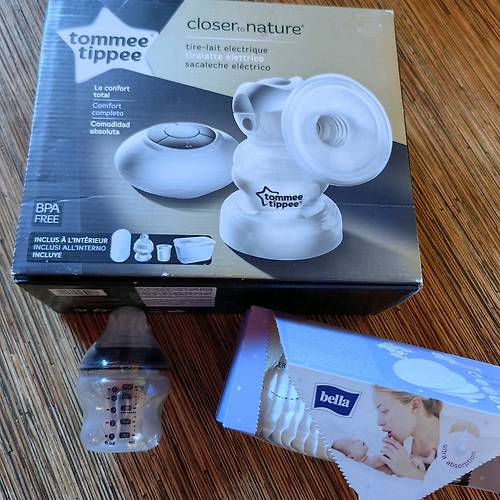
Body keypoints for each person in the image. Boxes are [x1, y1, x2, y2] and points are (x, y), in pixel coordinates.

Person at [373, 386, 442, 480]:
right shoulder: (402, 445)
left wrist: (410, 472)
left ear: (414, 406)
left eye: (384, 411)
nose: (379, 422)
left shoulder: (458, 431)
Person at [332, 437, 433, 475]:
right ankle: (427, 461)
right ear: (352, 457)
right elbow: (388, 457)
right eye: (353, 442)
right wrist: (394, 442)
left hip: (404, 470)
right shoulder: (369, 463)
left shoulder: (368, 462)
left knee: (408, 457)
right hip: (412, 471)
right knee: (412, 459)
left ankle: (426, 461)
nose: (357, 439)